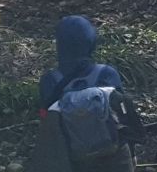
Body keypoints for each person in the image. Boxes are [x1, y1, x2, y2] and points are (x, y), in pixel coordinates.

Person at [26, 15, 144, 172]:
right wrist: (132, 155)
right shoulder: (107, 74)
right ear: (91, 41)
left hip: (73, 159)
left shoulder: (50, 80)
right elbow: (122, 116)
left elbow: (47, 124)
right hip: (113, 155)